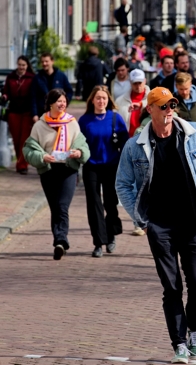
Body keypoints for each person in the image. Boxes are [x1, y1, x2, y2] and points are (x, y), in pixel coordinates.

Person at [115, 86, 196, 364]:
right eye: (162, 106)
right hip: (160, 226)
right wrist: (142, 220)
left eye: (171, 105)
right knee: (172, 287)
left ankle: (194, 331)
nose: (168, 111)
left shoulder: (194, 134)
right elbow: (123, 184)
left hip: (193, 221)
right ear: (150, 110)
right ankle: (178, 343)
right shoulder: (135, 145)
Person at [23, 89, 90, 260]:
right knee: (55, 207)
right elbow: (28, 149)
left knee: (62, 206)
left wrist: (78, 152)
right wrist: (42, 156)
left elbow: (83, 145)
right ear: (51, 103)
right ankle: (59, 241)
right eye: (59, 101)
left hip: (68, 170)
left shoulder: (72, 123)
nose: (62, 104)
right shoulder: (40, 125)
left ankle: (61, 240)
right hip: (49, 170)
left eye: (64, 101)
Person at [78, 86, 129, 258]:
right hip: (91, 166)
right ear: (92, 100)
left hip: (112, 166)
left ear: (108, 101)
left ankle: (111, 233)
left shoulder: (115, 118)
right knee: (94, 204)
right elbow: (78, 143)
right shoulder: (84, 121)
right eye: (98, 98)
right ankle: (98, 242)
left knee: (110, 203)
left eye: (104, 98)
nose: (101, 101)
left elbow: (125, 143)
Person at [1, 55, 36, 175]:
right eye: (19, 65)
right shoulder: (11, 77)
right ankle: (20, 160)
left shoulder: (32, 78)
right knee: (16, 139)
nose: (21, 67)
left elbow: (35, 94)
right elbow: (6, 91)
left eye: (23, 65)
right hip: (14, 111)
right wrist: (4, 96)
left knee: (24, 140)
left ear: (27, 66)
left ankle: (22, 165)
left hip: (27, 111)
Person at [31, 53, 73, 120]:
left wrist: (64, 104)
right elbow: (33, 97)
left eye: (46, 61)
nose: (44, 64)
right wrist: (34, 114)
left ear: (52, 61)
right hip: (42, 114)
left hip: (58, 113)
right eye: (42, 62)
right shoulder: (37, 78)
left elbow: (69, 91)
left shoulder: (61, 76)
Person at [115, 69, 150, 138]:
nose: (138, 86)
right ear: (130, 82)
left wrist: (141, 104)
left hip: (147, 138)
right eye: (135, 83)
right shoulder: (119, 101)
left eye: (140, 82)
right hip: (127, 139)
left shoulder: (153, 98)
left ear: (145, 81)